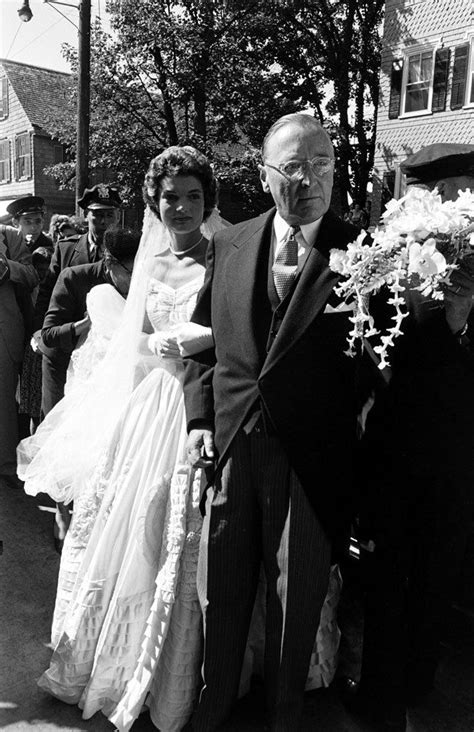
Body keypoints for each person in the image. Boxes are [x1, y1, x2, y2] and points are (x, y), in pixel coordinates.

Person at [19, 146, 225, 732]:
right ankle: (116, 662)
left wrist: (196, 342)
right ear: (154, 204)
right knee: (132, 533)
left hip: (197, 404)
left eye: (191, 196)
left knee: (183, 538)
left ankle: (191, 672)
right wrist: (119, 416)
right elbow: (132, 349)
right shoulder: (152, 267)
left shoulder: (226, 257)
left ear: (207, 202)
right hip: (149, 408)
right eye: (170, 197)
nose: (181, 207)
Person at [183, 112, 368, 731]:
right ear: (265, 176)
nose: (309, 179)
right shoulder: (230, 244)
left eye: (322, 165)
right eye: (293, 167)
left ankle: (284, 720)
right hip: (233, 451)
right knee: (226, 596)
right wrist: (199, 422)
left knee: (295, 612)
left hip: (312, 465)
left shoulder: (365, 256)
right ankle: (214, 709)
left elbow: (380, 368)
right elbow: (203, 345)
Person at [347, 142, 474, 732]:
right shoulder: (391, 269)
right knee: (383, 574)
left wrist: (463, 318)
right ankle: (377, 690)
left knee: (436, 574)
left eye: (459, 194)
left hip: (457, 456)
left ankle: (419, 681)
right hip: (395, 452)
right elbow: (376, 350)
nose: (449, 207)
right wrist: (437, 319)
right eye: (439, 194)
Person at [33, 184, 122, 417]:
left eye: (109, 215)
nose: (103, 222)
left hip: (106, 353)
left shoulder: (127, 251)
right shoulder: (66, 248)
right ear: (86, 215)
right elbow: (46, 294)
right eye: (97, 215)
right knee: (55, 419)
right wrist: (38, 332)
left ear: (117, 216)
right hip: (63, 346)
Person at [0, 222, 38, 485]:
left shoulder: (8, 235)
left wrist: (5, 267)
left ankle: (6, 464)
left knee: (4, 399)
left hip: (4, 328)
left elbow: (32, 274)